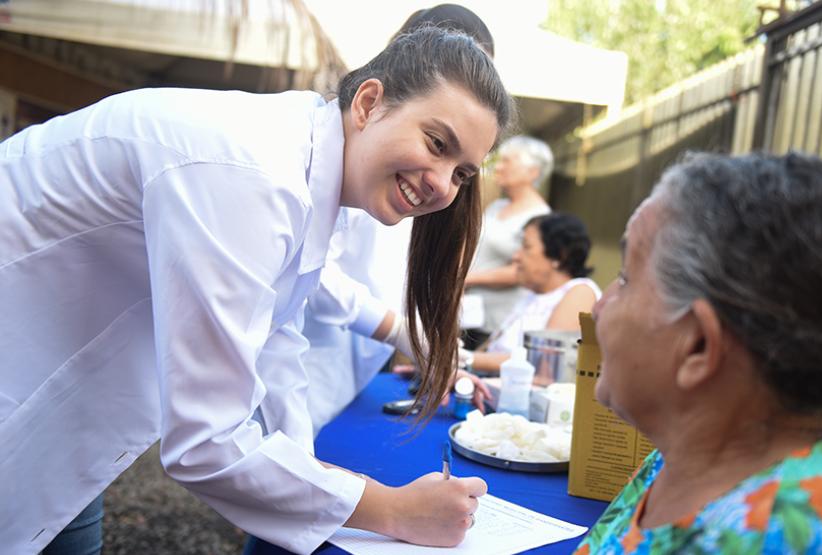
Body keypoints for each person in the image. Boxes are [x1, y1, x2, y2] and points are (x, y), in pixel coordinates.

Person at [0, 27, 514, 554]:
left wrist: (312, 474)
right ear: (368, 103)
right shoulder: (252, 173)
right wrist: (390, 509)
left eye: (462, 173)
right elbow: (206, 441)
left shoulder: (307, 162)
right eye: (436, 143)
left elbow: (276, 338)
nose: (442, 184)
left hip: (55, 413)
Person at [578, 152, 822, 554]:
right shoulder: (679, 464)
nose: (600, 307)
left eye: (626, 279)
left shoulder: (808, 535)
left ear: (699, 345)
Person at [303, 3, 496, 434]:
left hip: (348, 377)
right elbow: (308, 271)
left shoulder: (434, 181)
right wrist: (400, 333)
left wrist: (443, 357)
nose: (442, 184)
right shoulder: (348, 158)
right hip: (305, 365)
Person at [467, 212, 600, 374]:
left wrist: (466, 359)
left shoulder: (580, 292)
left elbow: (546, 361)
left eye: (526, 247)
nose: (516, 257)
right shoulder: (534, 294)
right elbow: (492, 347)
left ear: (559, 255)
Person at [463, 135, 553, 349]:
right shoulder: (497, 206)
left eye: (507, 161)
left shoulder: (540, 217)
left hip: (498, 319)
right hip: (471, 312)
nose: (499, 167)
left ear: (533, 172)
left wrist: (468, 279)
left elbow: (526, 270)